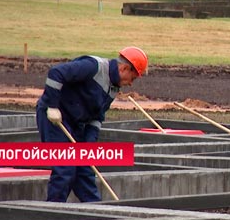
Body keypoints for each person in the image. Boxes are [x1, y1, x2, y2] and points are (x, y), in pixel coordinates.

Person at [36, 46, 148, 202]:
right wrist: (52, 105)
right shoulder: (93, 67)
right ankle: (53, 213)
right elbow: (56, 73)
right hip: (55, 118)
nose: (131, 84)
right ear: (124, 68)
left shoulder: (114, 88)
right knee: (65, 168)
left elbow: (97, 117)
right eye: (133, 78)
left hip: (77, 122)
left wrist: (89, 145)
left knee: (85, 170)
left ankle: (96, 212)